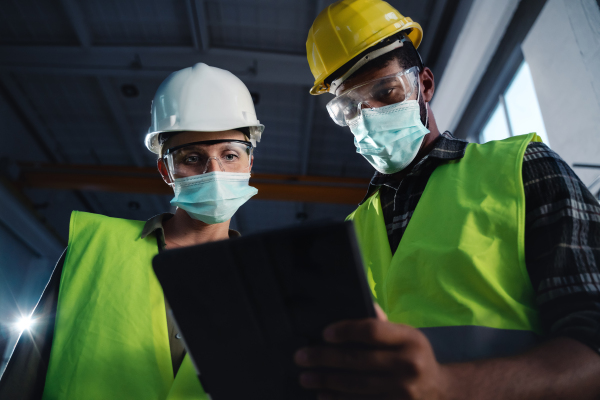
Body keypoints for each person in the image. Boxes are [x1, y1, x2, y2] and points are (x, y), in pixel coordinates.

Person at [294, 0, 600, 398]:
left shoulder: (523, 169)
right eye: (350, 107)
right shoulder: (346, 235)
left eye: (386, 91)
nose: (368, 115)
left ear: (424, 84)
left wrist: (448, 387)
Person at [0, 63, 263, 399]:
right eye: (192, 158)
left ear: (249, 165)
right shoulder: (94, 248)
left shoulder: (263, 282)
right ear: (165, 170)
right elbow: (24, 377)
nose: (214, 171)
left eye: (229, 155)